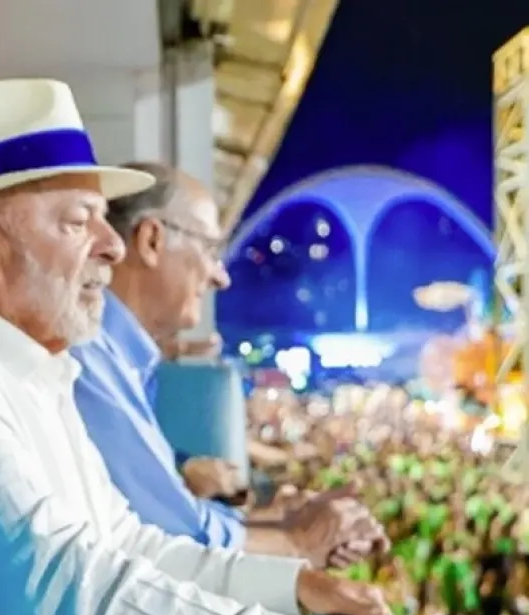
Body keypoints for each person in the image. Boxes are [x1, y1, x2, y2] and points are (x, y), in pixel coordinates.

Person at [0, 78, 395, 615]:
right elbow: (66, 593)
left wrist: (295, 588)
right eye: (77, 222)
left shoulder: (31, 376)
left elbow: (126, 543)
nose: (113, 245)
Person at [70, 163, 388, 568]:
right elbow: (172, 536)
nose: (221, 277)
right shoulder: (89, 356)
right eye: (210, 250)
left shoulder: (125, 361)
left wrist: (282, 522)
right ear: (151, 240)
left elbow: (168, 516)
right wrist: (298, 540)